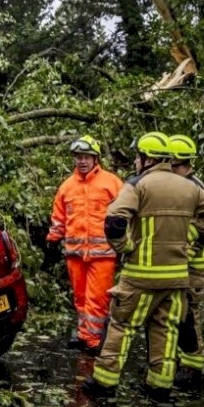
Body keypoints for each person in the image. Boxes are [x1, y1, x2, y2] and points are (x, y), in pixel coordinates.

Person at [82, 132, 204, 403]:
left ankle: (104, 382)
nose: (135, 161)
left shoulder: (138, 185)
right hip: (176, 278)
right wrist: (192, 238)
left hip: (140, 275)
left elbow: (114, 221)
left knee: (121, 325)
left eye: (138, 156)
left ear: (147, 158)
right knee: (165, 329)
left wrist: (125, 247)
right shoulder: (190, 187)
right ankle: (159, 387)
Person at [46, 135, 124, 355]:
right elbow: (59, 217)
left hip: (103, 254)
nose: (82, 161)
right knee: (80, 298)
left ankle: (93, 339)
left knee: (97, 300)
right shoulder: (67, 186)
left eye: (86, 157)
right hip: (75, 254)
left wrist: (125, 243)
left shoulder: (112, 183)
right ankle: (84, 334)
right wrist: (52, 239)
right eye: (78, 157)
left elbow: (125, 213)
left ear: (95, 158)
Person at [167, 134, 204, 389]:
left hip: (193, 264)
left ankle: (193, 367)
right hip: (179, 261)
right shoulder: (180, 185)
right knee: (176, 314)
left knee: (188, 315)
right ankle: (178, 362)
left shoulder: (195, 188)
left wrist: (189, 242)